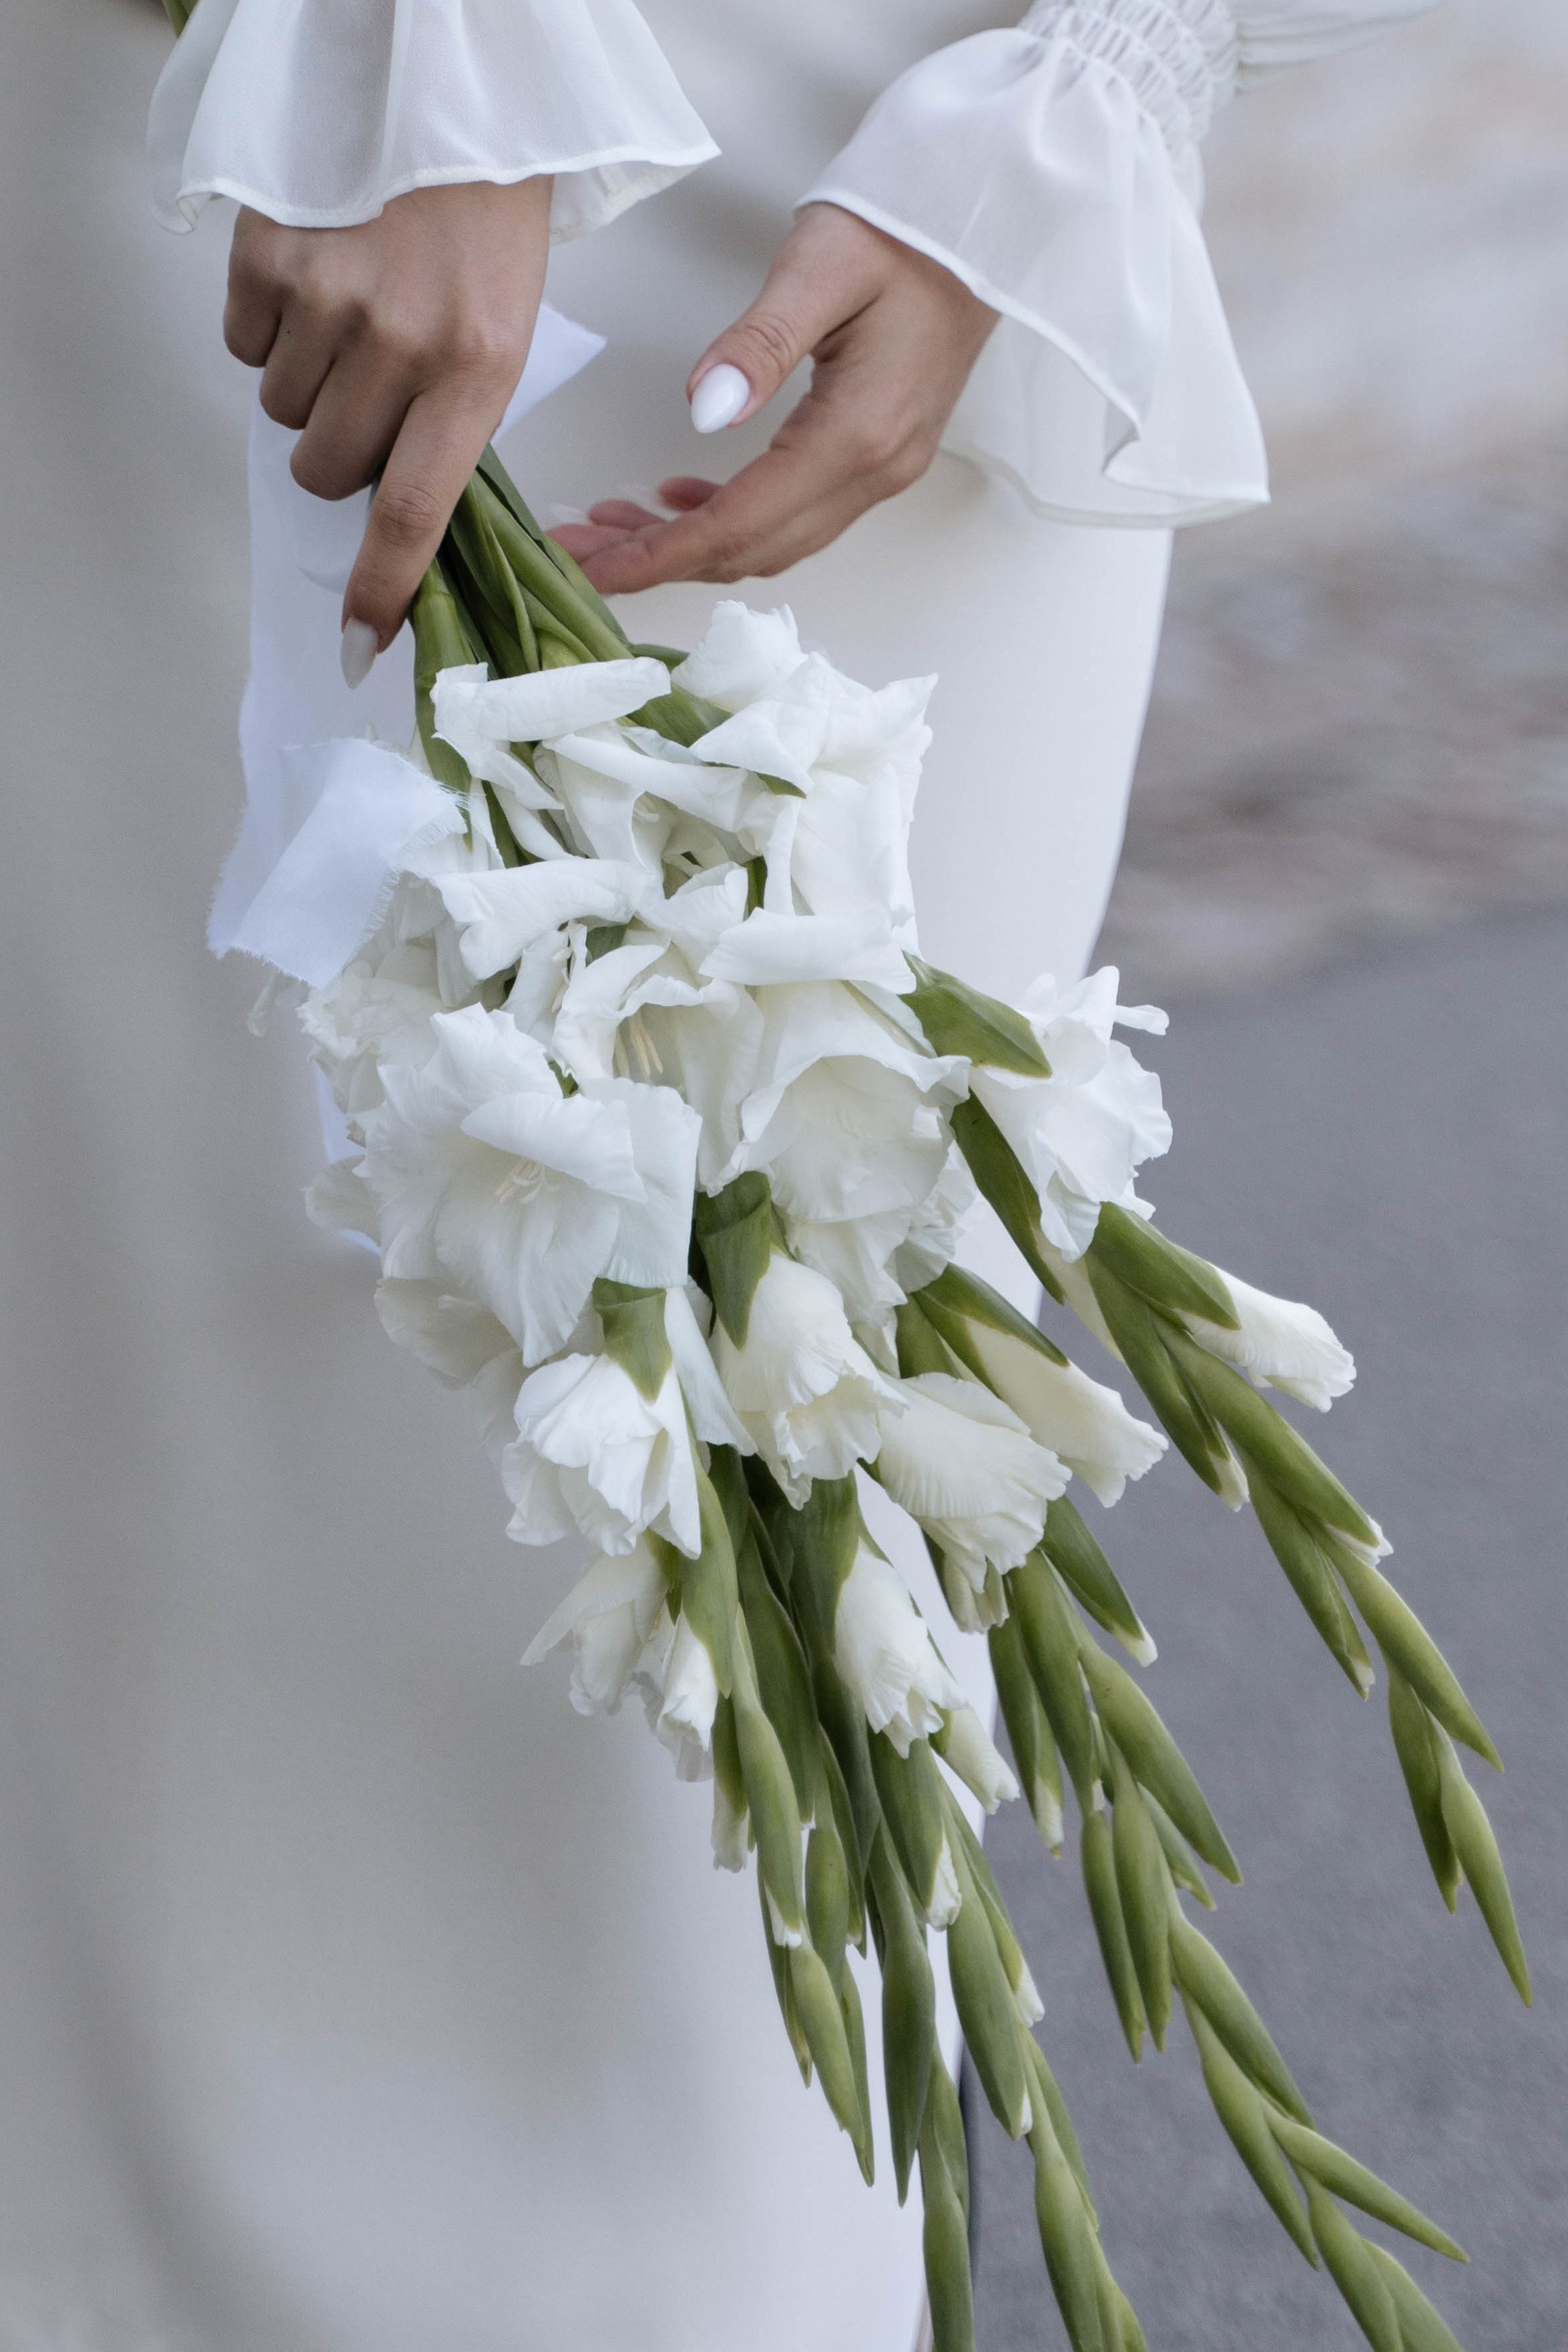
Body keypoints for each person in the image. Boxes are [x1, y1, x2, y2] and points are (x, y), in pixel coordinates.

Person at [0, 3, 1442, 2347]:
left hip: (924, 168)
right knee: (211, 1593)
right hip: (291, 142)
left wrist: (1110, 74)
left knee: (735, 1595)